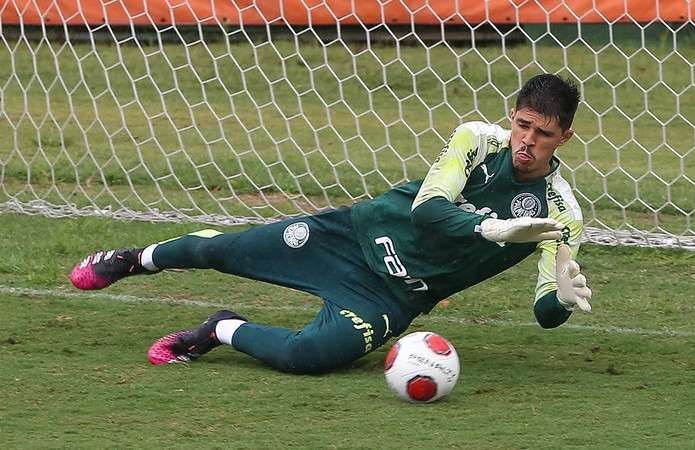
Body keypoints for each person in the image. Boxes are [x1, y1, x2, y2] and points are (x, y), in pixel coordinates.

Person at [69, 73, 592, 374]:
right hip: (357, 235)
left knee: (309, 358)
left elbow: (544, 315)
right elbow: (428, 211)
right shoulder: (477, 140)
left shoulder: (560, 212)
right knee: (223, 251)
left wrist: (562, 299)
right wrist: (489, 230)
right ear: (512, 115)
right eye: (522, 124)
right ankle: (134, 260)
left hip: (393, 298)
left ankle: (219, 330)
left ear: (563, 137)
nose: (527, 141)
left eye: (542, 134)